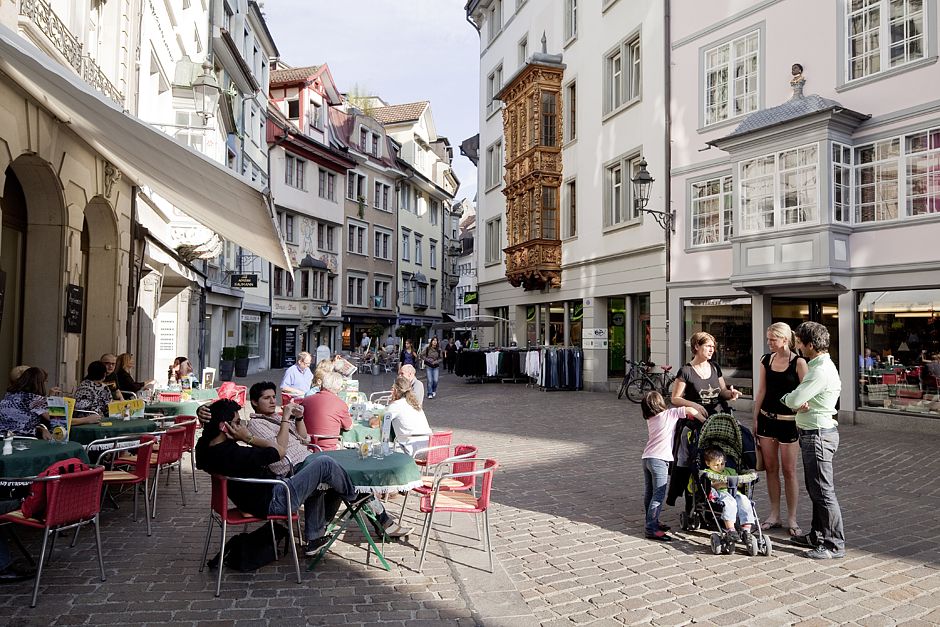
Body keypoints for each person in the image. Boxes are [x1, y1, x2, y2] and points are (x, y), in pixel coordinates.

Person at [195, 399, 366, 556]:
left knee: (319, 481)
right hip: (275, 500)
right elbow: (279, 451)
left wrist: (202, 414)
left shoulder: (205, 451)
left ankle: (314, 538)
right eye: (237, 423)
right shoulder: (236, 454)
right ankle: (354, 496)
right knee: (325, 463)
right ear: (224, 427)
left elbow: (202, 450)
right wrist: (248, 437)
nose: (241, 426)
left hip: (266, 495)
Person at [243, 381, 412, 537]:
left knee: (342, 470)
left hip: (308, 459)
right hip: (292, 469)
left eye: (274, 397)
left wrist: (300, 418)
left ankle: (321, 531)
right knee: (332, 467)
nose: (273, 401)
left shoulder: (276, 418)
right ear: (255, 402)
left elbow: (305, 439)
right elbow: (279, 449)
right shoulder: (256, 424)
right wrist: (286, 418)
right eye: (267, 398)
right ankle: (362, 500)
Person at [782, 321, 845, 560]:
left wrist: (790, 397)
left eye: (799, 342)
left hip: (817, 435)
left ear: (810, 344)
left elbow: (794, 398)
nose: (797, 346)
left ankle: (834, 544)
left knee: (822, 491)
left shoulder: (819, 370)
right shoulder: (820, 365)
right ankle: (817, 534)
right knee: (816, 488)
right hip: (816, 432)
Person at [751, 322, 807, 538]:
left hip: (789, 422)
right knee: (771, 469)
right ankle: (775, 514)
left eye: (772, 339)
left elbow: (807, 391)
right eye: (768, 339)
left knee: (789, 471)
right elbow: (762, 390)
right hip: (767, 420)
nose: (769, 343)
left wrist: (805, 404)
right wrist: (755, 418)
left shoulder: (799, 363)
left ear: (785, 340)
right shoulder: (766, 360)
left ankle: (792, 517)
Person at [641, 391, 702, 542]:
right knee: (659, 494)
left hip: (647, 458)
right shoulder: (669, 414)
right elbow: (689, 410)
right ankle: (651, 529)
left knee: (650, 492)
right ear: (660, 403)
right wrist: (703, 419)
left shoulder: (651, 418)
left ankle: (651, 521)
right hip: (659, 460)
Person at [671, 331, 742, 418]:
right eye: (708, 346)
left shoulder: (715, 367)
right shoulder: (686, 371)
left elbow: (723, 392)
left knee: (744, 432)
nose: (712, 350)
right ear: (697, 346)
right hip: (697, 419)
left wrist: (731, 394)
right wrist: (693, 405)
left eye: (713, 347)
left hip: (718, 417)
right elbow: (675, 399)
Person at [702, 448, 757, 543]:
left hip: (735, 492)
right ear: (708, 463)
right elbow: (712, 485)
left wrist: (733, 482)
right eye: (716, 465)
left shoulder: (730, 471)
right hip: (720, 493)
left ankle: (746, 529)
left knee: (744, 500)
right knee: (729, 502)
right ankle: (731, 529)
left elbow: (739, 483)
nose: (719, 467)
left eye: (722, 464)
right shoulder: (708, 473)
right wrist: (723, 483)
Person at [300, 372, 351, 450]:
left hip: (306, 446)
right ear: (339, 388)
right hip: (329, 448)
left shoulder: (306, 400)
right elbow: (348, 427)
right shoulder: (341, 404)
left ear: (322, 384)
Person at [0, 367, 52, 439]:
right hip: (23, 440)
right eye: (45, 381)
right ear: (40, 383)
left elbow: (19, 420)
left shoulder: (9, 395)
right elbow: (56, 419)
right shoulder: (34, 398)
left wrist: (41, 429)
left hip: (3, 438)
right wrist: (57, 402)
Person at [385, 376, 431, 455]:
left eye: (392, 388)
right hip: (430, 447)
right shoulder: (415, 404)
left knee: (381, 448)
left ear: (396, 390)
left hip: (413, 449)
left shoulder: (396, 405)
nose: (391, 391)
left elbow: (376, 423)